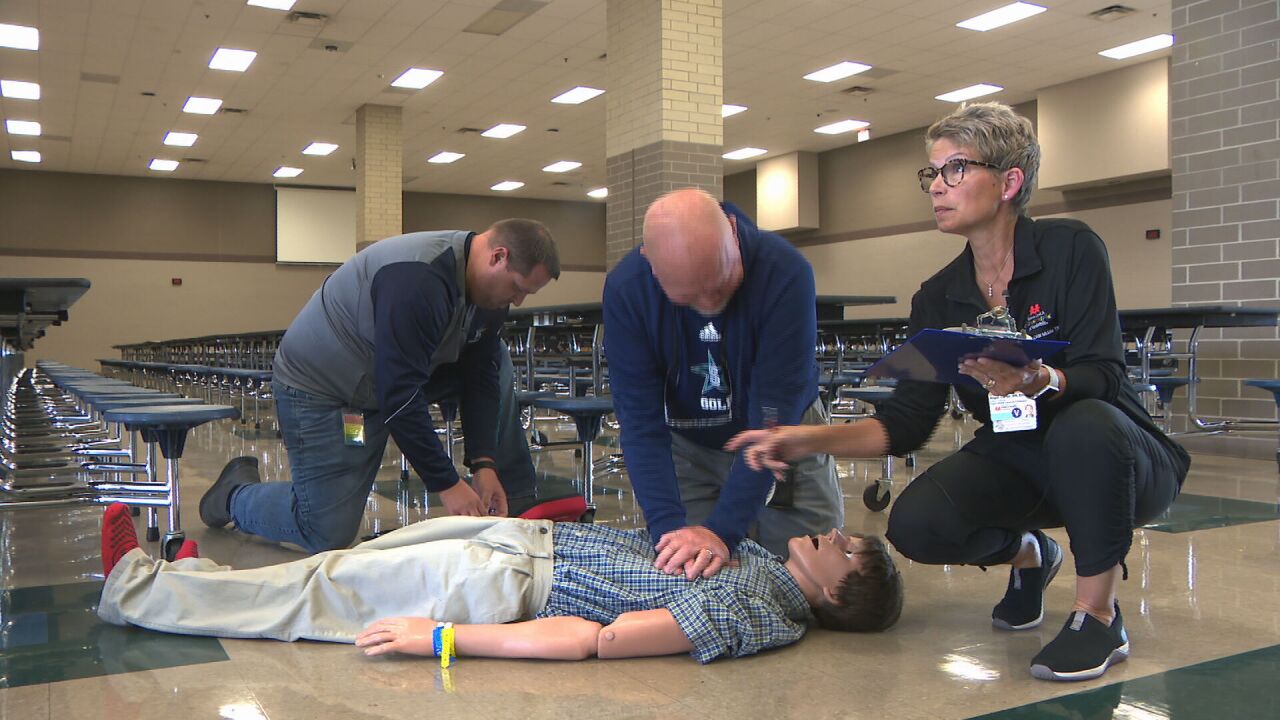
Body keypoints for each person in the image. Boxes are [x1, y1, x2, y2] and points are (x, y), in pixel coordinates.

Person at [727, 102, 1190, 682]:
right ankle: (1031, 555)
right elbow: (908, 423)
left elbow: (1103, 373)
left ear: (1008, 182)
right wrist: (799, 439)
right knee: (916, 524)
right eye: (933, 173)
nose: (937, 187)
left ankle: (1097, 613)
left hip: (1119, 460)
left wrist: (1042, 379)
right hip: (1022, 458)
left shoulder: (1070, 249)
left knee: (1084, 421)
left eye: (955, 170)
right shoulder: (938, 297)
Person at [98, 503, 903, 663]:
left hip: (510, 584)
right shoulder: (763, 562)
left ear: (837, 594)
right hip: (523, 541)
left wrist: (443, 637)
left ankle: (135, 588)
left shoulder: (763, 609)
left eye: (849, 550)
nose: (837, 534)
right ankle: (192, 576)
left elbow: (604, 639)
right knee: (335, 569)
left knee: (325, 595)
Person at [199, 219, 560, 553]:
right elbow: (400, 395)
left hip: (376, 383)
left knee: (497, 361)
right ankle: (233, 494)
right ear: (498, 257)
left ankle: (517, 502)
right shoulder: (417, 280)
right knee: (326, 531)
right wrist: (446, 484)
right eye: (517, 288)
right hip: (326, 393)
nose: (518, 301)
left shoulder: (487, 293)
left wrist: (485, 463)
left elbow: (481, 376)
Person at [602, 188, 843, 579]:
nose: (709, 304)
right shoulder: (627, 289)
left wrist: (724, 530)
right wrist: (667, 531)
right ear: (651, 264)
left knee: (811, 582)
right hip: (687, 442)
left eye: (719, 283)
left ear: (733, 231)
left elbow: (772, 418)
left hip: (783, 437)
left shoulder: (786, 271)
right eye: (688, 297)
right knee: (693, 575)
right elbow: (640, 421)